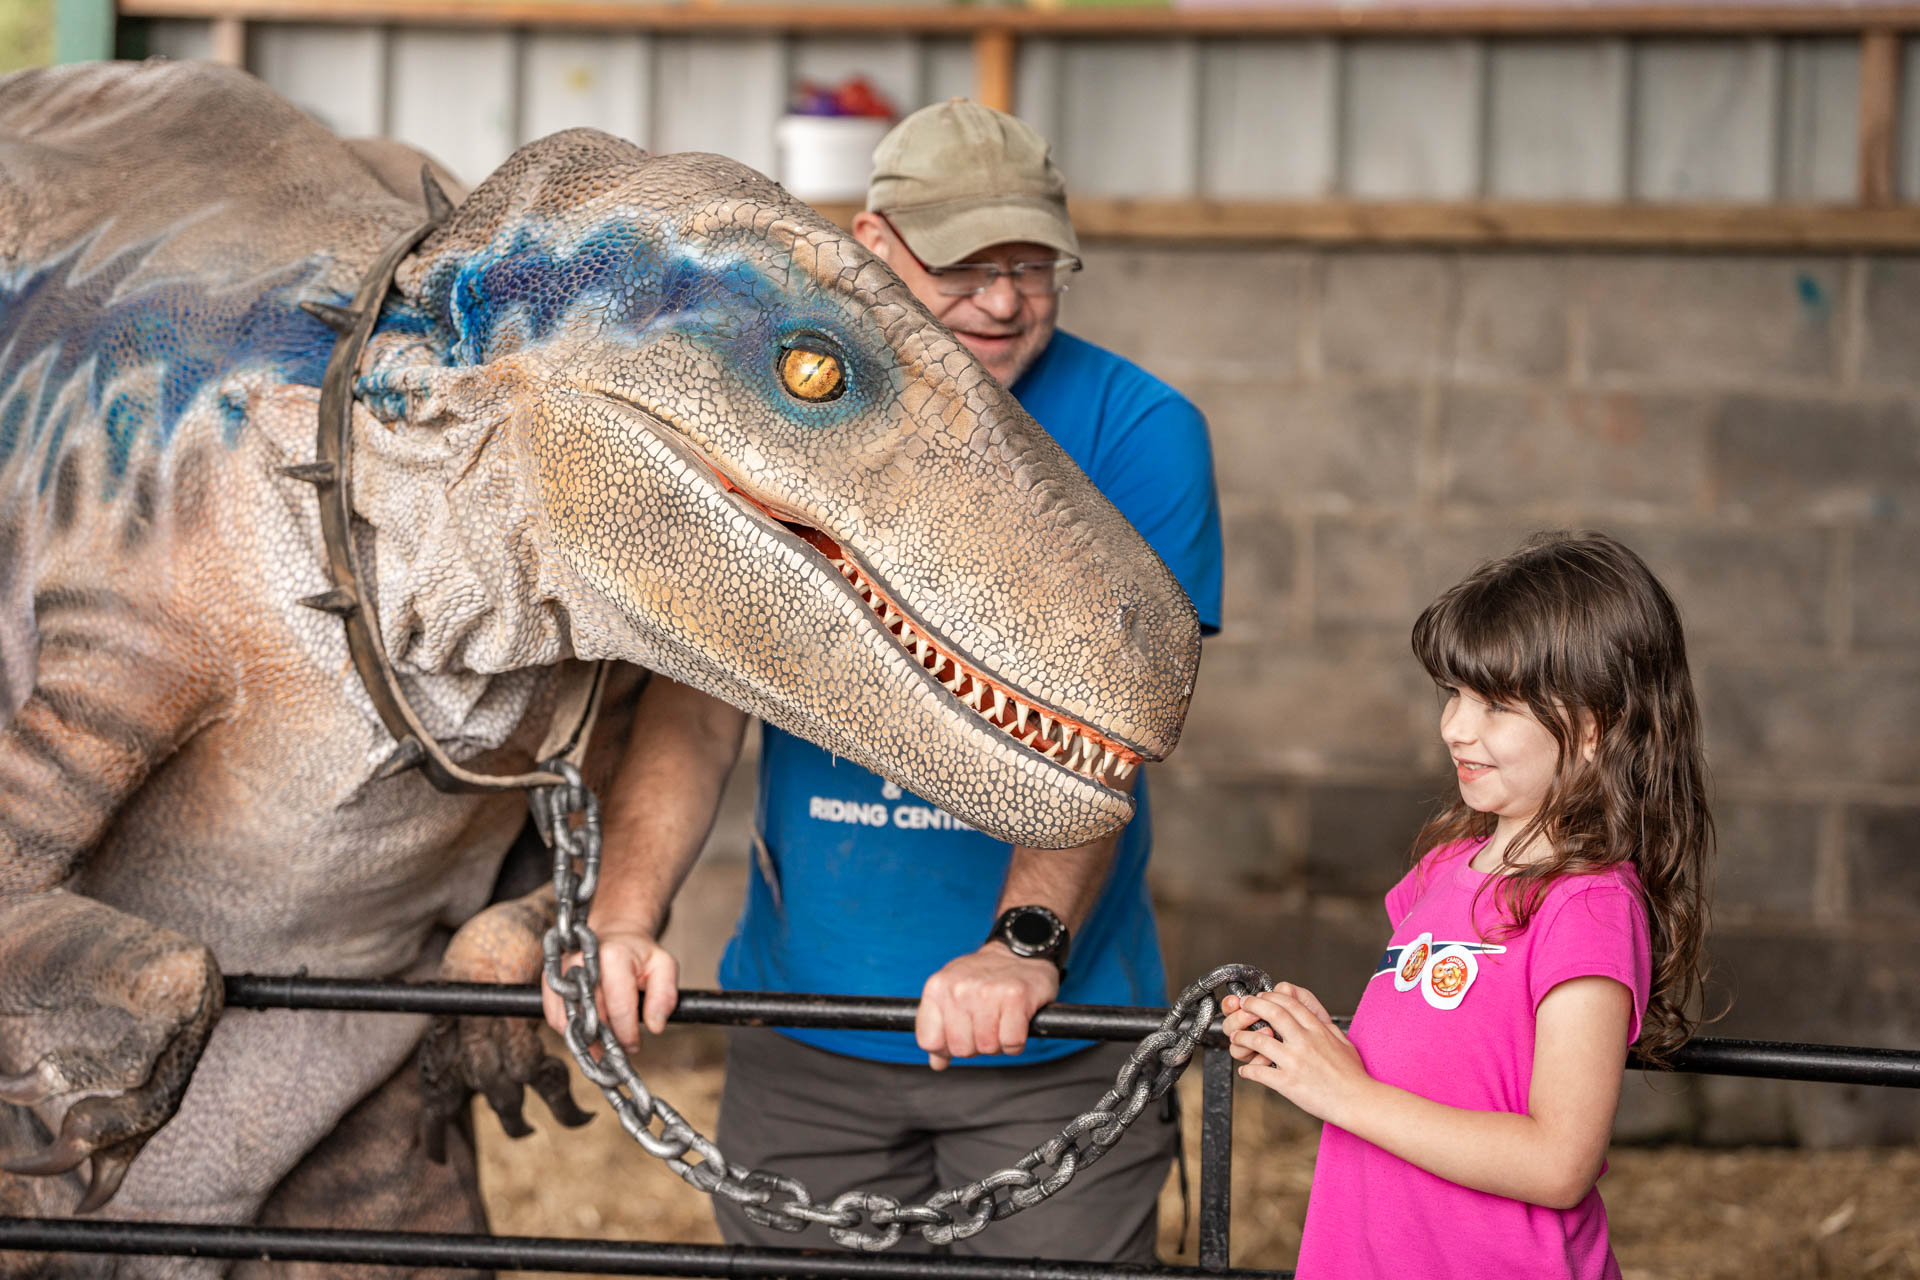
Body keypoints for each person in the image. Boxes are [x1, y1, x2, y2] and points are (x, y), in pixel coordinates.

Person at [542, 99, 1223, 1262]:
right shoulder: (773, 415)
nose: (1002, 301)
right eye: (965, 266)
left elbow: (1109, 730)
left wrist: (1022, 943)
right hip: (806, 1037)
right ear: (871, 243)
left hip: (1053, 1038)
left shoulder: (1138, 429)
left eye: (1032, 267)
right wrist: (620, 916)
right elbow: (700, 710)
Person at [1221, 531, 1713, 1280]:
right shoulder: (1444, 871)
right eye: (1454, 694)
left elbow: (1559, 1162)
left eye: (1496, 704)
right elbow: (1437, 1070)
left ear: (1593, 728)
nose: (1454, 726)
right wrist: (1308, 1049)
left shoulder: (1586, 905)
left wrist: (1344, 1092)